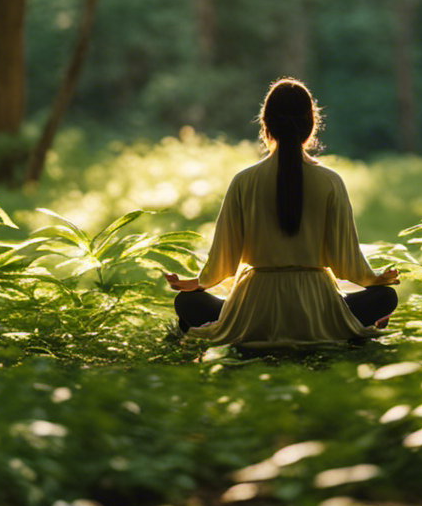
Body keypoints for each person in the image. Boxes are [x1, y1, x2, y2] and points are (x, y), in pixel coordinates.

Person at [164, 77, 399, 347]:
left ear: (265, 125)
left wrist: (199, 283)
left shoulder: (244, 180)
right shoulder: (330, 181)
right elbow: (348, 262)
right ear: (310, 125)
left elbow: (223, 261)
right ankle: (337, 335)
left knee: (187, 302)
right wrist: (376, 279)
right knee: (385, 297)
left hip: (252, 311)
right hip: (319, 309)